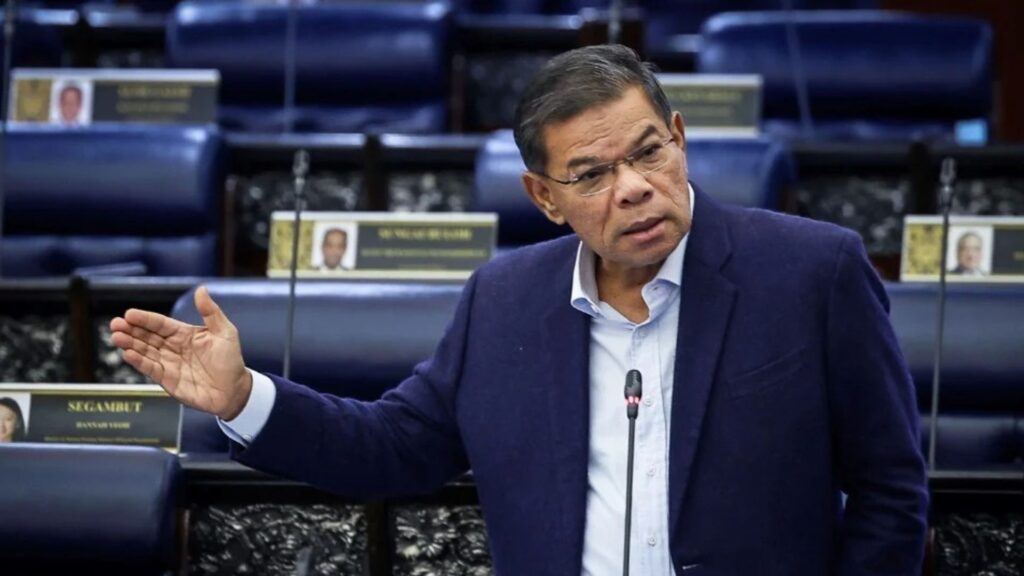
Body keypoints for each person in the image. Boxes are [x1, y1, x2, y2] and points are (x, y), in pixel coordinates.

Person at [111, 45, 927, 575]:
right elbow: (396, 447)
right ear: (544, 197)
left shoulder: (811, 272)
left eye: (648, 152)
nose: (633, 187)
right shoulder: (503, 302)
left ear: (679, 137)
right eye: (592, 174)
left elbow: (890, 490)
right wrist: (243, 397)